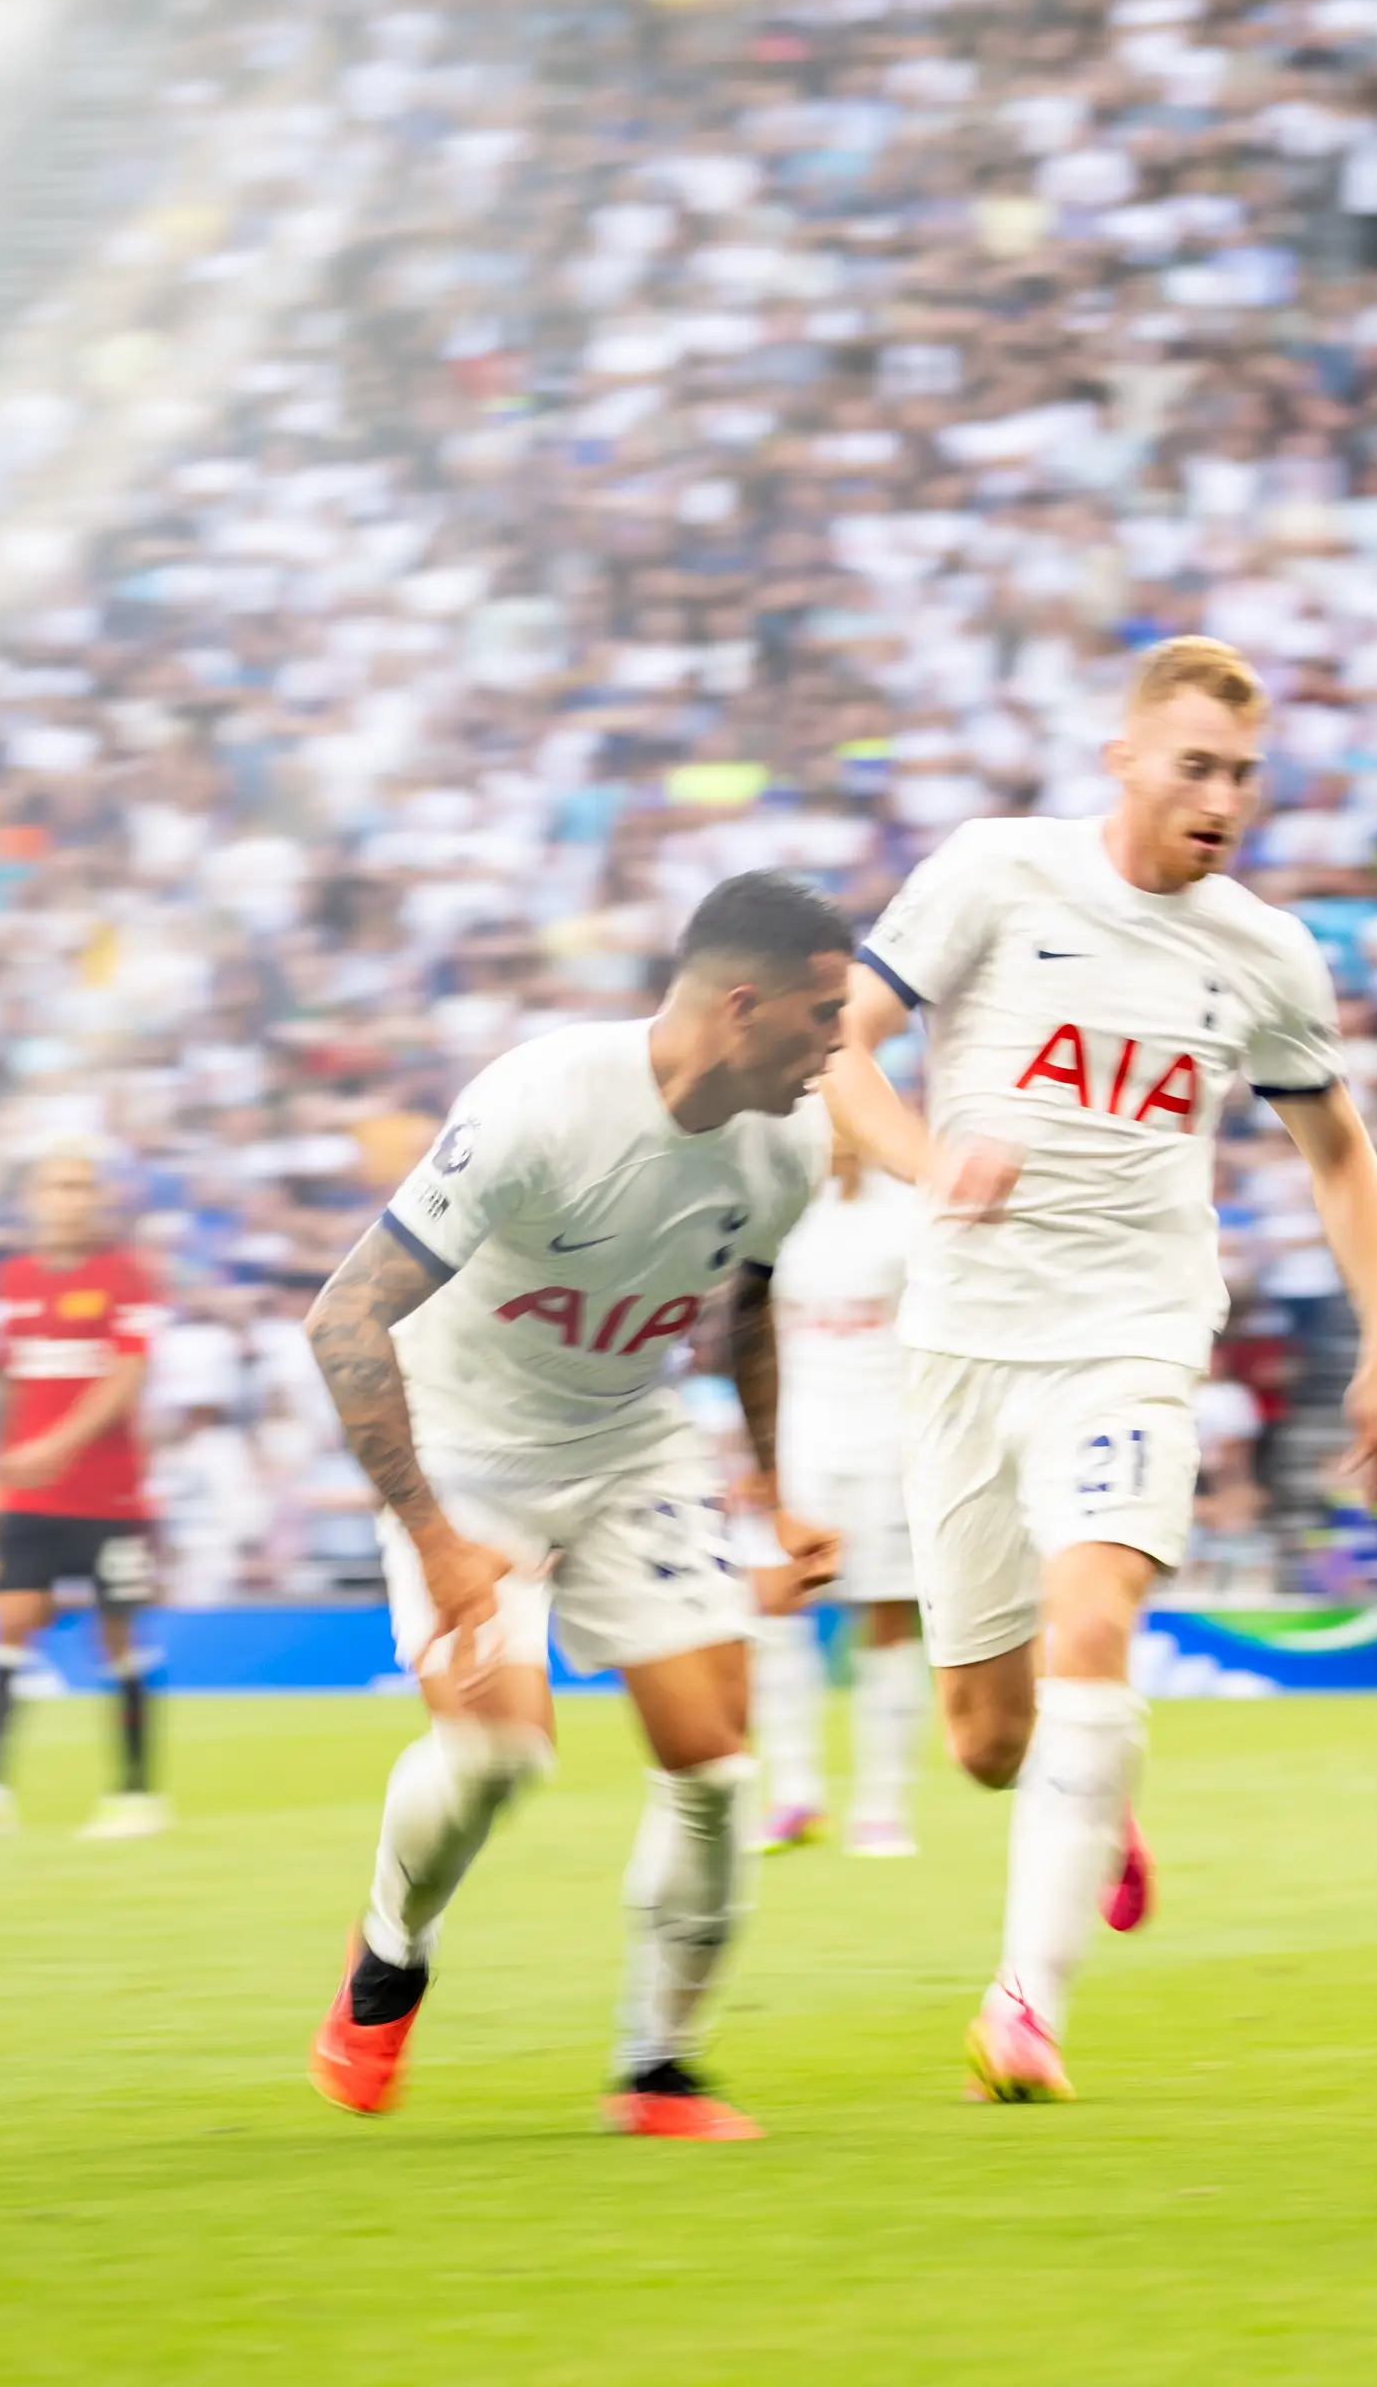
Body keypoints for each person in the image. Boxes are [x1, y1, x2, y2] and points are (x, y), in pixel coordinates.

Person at [825, 634, 1377, 2104]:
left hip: (1131, 1341)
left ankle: (1024, 2010)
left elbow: (1339, 1154)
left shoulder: (1266, 952)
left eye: (1243, 774)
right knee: (986, 1742)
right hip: (965, 1343)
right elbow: (837, 1051)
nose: (1221, 798)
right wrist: (928, 1161)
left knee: (1091, 1622)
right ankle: (1087, 1803)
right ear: (1125, 761)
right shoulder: (993, 873)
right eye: (1194, 767)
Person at [301, 872, 853, 2141]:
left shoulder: (791, 1144)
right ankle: (389, 1953)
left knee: (716, 1769)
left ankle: (658, 2071)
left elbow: (747, 1309)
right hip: (468, 1448)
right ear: (741, 1004)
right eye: (823, 1017)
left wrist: (773, 1484)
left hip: (631, 1443)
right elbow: (344, 1315)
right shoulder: (538, 1106)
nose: (841, 1046)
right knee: (500, 1752)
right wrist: (436, 1538)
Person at [0, 1151, 169, 1842]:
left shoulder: (126, 1275)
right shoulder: (11, 1279)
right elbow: (9, 1381)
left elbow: (128, 1373)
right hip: (27, 1500)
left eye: (83, 1185)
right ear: (34, 1198)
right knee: (7, 1628)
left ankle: (138, 1798)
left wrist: (57, 1447)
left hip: (108, 1498)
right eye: (60, 1186)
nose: (72, 1198)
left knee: (117, 1639)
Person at [749, 1129, 932, 1857]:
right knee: (776, 1608)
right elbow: (751, 1331)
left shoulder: (909, 1216)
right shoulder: (782, 1212)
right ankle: (794, 1796)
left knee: (886, 1619)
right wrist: (756, 1451)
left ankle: (883, 1807)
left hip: (889, 1445)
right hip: (800, 1446)